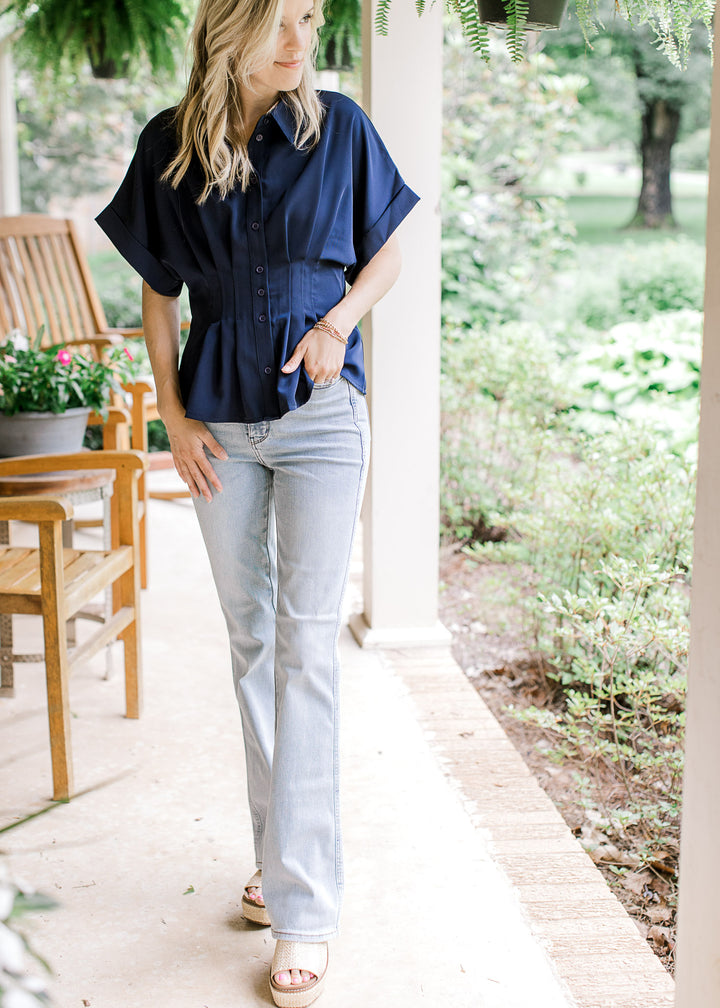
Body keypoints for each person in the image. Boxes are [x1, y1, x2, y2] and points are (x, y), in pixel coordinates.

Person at [97, 0, 418, 1003]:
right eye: (282, 21)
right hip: (219, 423)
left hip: (323, 417)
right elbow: (158, 292)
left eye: (311, 20)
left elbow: (390, 253)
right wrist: (172, 416)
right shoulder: (171, 144)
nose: (299, 41)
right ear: (229, 28)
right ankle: (279, 858)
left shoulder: (340, 127)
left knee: (306, 648)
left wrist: (339, 328)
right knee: (252, 643)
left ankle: (305, 908)